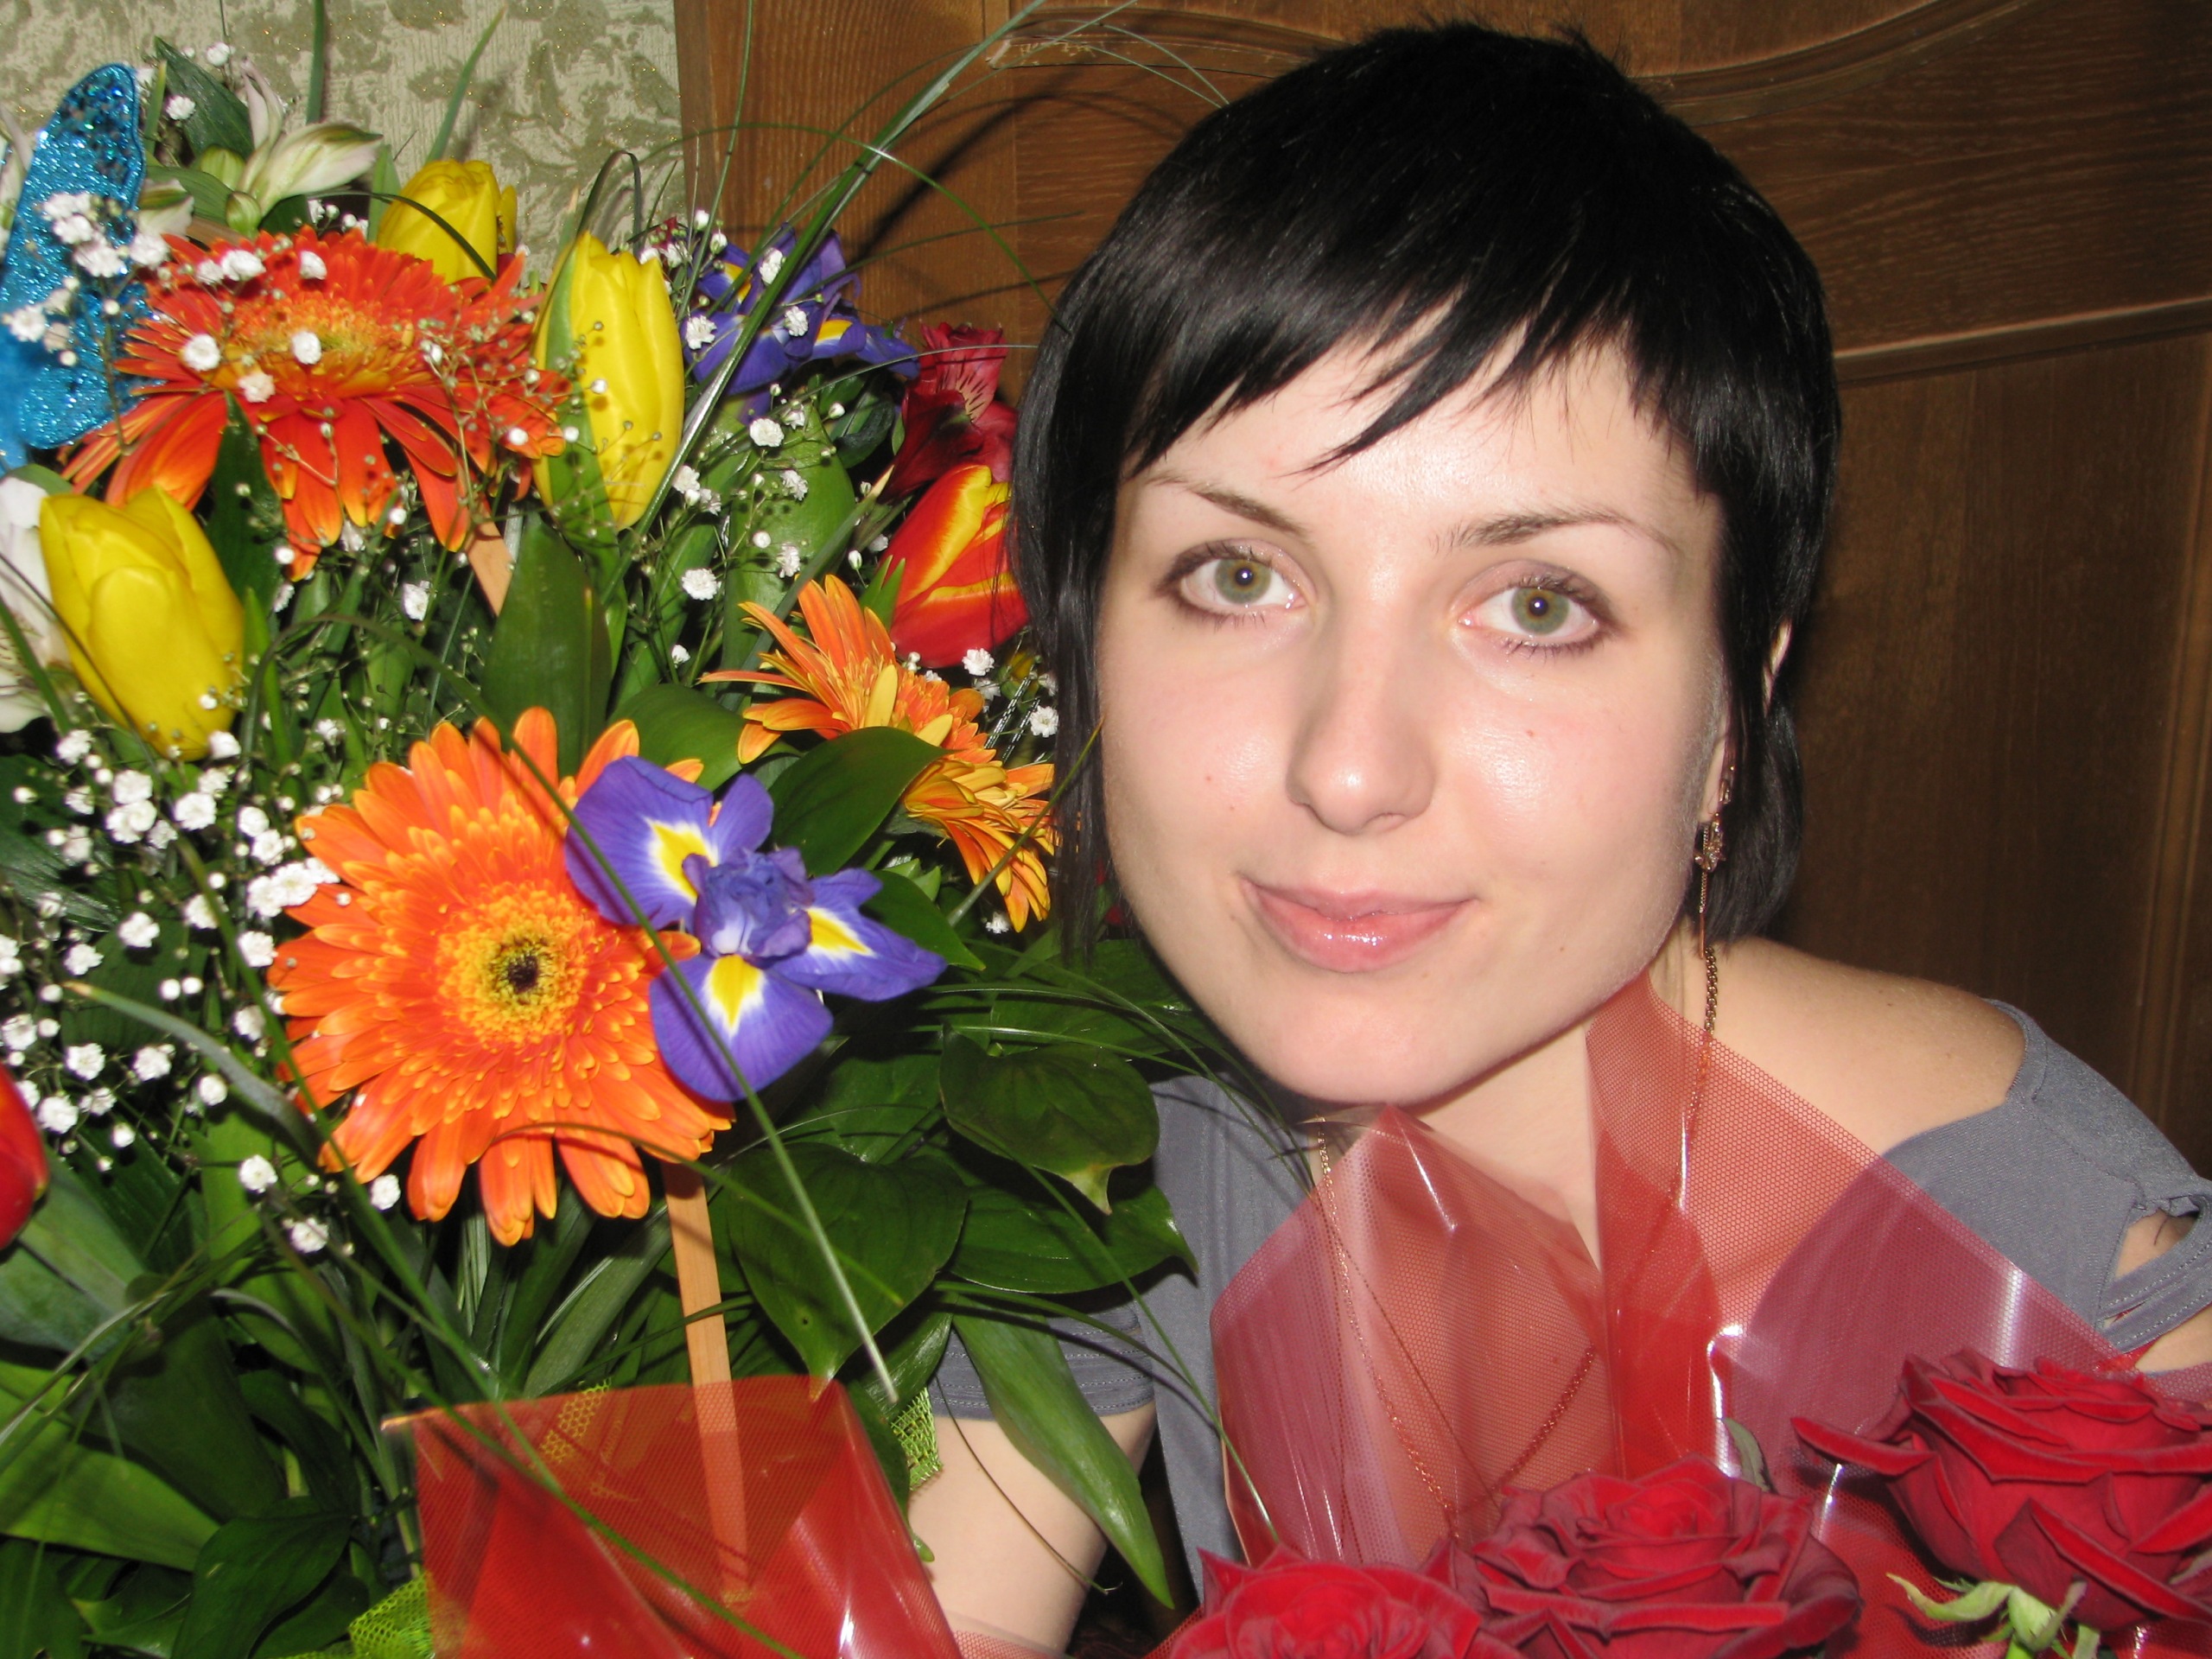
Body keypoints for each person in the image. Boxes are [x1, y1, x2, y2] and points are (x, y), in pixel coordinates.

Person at [905, 22, 2212, 1654]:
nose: (1349, 770)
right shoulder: (1112, 1122)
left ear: (1736, 701)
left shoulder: (2047, 1292)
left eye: (1536, 605)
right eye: (1240, 577)